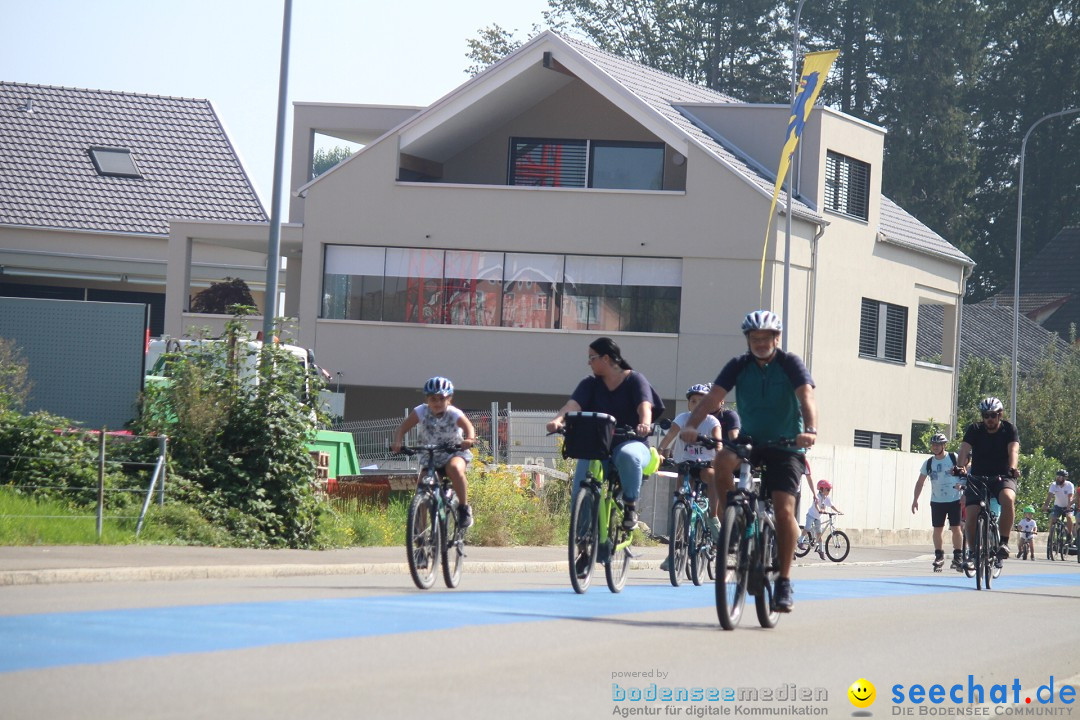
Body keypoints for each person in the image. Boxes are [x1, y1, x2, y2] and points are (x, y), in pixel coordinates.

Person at [679, 310, 818, 612]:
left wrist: (809, 430)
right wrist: (691, 425)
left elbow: (806, 396)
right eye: (754, 338)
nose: (760, 343)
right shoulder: (739, 366)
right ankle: (735, 518)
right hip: (752, 439)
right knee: (723, 459)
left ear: (776, 339)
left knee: (784, 511)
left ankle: (783, 580)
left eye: (765, 338)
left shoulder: (790, 363)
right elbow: (712, 398)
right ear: (748, 340)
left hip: (787, 445)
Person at [546, 337, 665, 530]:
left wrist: (644, 423)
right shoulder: (590, 383)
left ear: (607, 358)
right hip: (597, 445)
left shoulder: (635, 379)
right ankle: (584, 545)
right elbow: (573, 405)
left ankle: (630, 506)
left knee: (628, 456)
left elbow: (645, 405)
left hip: (630, 440)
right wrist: (558, 420)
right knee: (581, 492)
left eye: (592, 358)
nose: (588, 362)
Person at [391, 376, 477, 528]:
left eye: (441, 399)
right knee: (423, 486)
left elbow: (469, 427)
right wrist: (397, 441)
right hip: (430, 456)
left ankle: (464, 508)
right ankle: (420, 531)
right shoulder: (420, 411)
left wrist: (469, 439)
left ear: (449, 399)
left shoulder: (454, 413)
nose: (437, 403)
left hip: (453, 452)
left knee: (455, 469)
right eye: (433, 399)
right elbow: (402, 428)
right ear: (427, 399)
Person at [955, 396, 1019, 568]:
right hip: (977, 477)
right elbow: (964, 449)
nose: (989, 419)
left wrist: (1013, 468)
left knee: (1008, 498)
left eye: (993, 415)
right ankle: (974, 554)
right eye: (985, 415)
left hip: (1002, 476)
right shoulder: (974, 429)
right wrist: (959, 466)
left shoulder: (1009, 429)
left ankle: (1004, 543)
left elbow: (1013, 450)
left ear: (1000, 415)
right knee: (971, 515)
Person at [911, 433, 964, 572]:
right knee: (937, 529)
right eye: (933, 445)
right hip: (937, 500)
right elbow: (920, 482)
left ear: (943, 445)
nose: (935, 447)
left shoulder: (953, 458)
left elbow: (964, 473)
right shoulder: (929, 462)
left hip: (954, 499)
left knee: (956, 528)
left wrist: (963, 487)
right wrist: (915, 499)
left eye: (938, 445)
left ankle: (958, 555)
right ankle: (939, 555)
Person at [799, 479, 843, 560]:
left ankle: (821, 551)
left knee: (819, 534)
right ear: (822, 489)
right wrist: (819, 510)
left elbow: (832, 506)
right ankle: (800, 541)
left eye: (829, 490)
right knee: (808, 527)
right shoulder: (817, 496)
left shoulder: (826, 498)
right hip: (811, 515)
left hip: (818, 517)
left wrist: (838, 511)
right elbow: (816, 505)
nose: (829, 491)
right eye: (828, 489)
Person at [1043, 469, 1075, 540]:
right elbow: (1049, 496)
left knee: (1069, 517)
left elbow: (1070, 497)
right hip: (1058, 506)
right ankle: (1051, 536)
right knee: (1053, 518)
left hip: (1068, 505)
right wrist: (1046, 505)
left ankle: (1069, 534)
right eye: (1057, 476)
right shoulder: (1053, 485)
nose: (1058, 478)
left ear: (1064, 478)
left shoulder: (1069, 485)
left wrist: (1069, 506)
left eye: (1060, 477)